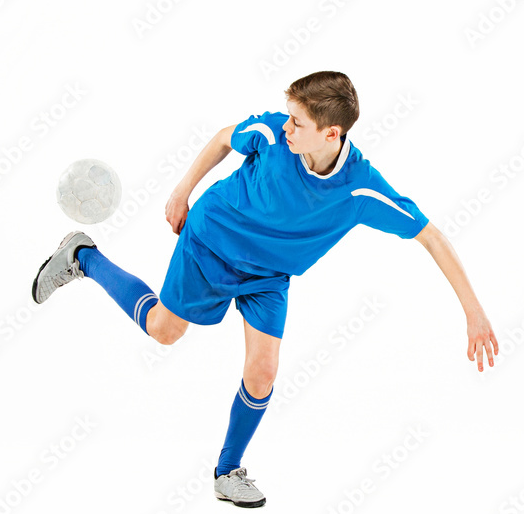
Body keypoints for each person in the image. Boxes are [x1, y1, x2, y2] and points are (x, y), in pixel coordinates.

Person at [31, 71, 498, 508]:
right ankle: (82, 257)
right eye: (289, 116)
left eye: (299, 122)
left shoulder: (361, 191)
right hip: (212, 240)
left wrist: (473, 312)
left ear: (331, 134)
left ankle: (227, 470)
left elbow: (431, 235)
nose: (288, 126)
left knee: (263, 372)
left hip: (270, 276)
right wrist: (182, 190)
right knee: (164, 330)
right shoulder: (274, 135)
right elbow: (222, 138)